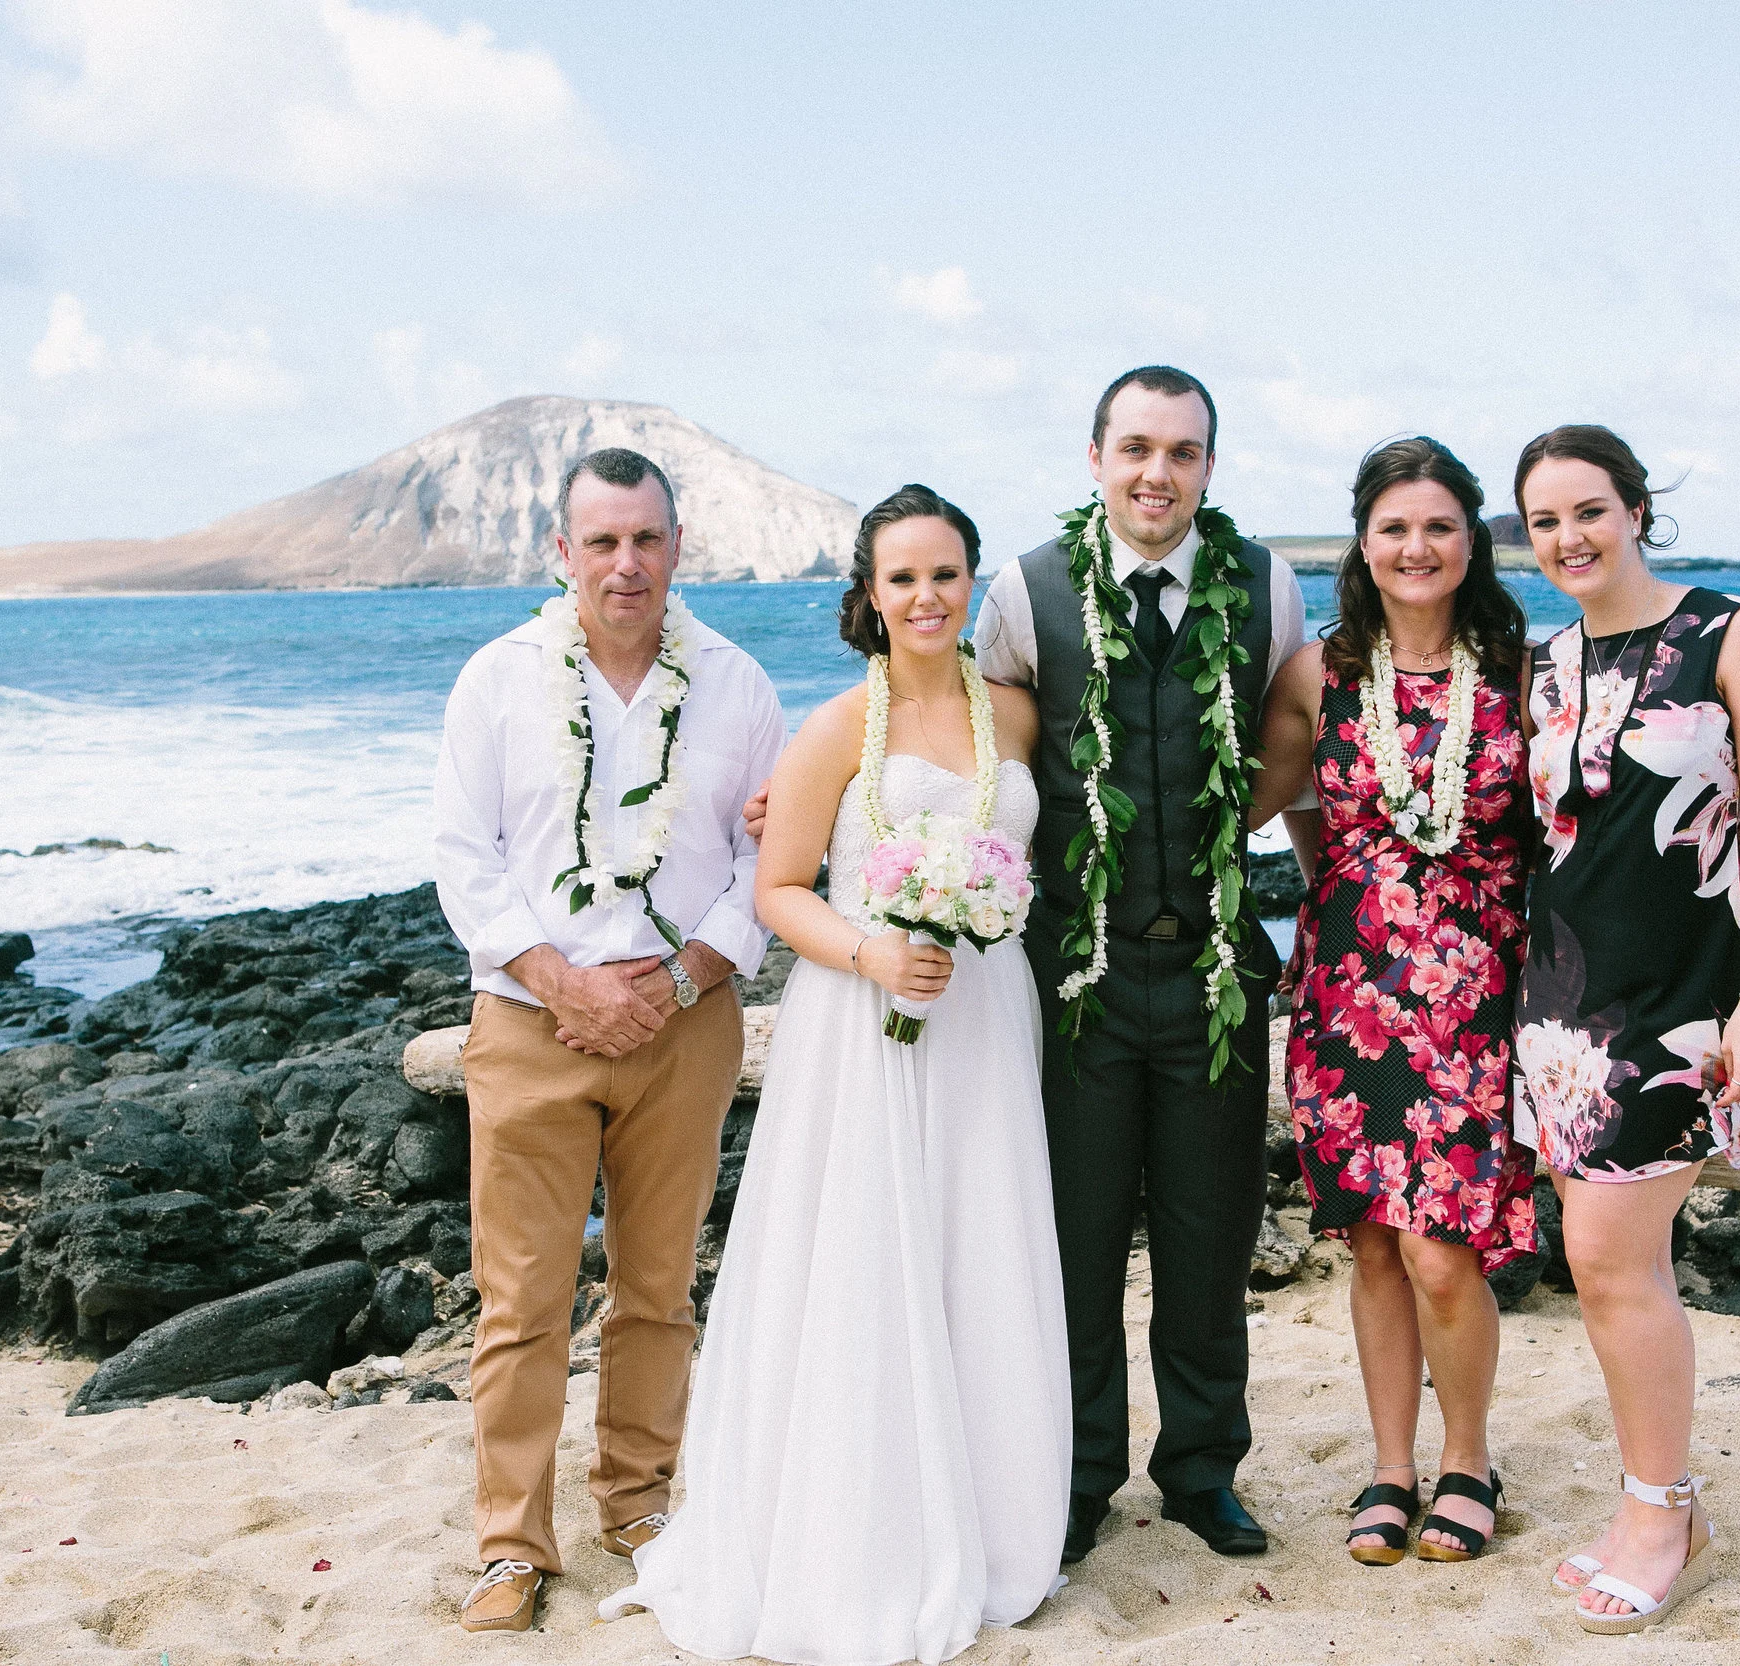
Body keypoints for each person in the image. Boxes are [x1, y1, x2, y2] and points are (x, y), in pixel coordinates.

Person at [601, 485, 1068, 1664]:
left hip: (985, 1018)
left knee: (980, 1248)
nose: (926, 596)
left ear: (971, 584)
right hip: (866, 1023)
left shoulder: (1016, 715)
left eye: (945, 573)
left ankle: (995, 1517)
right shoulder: (834, 728)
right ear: (869, 593)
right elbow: (778, 889)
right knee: (866, 1261)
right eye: (902, 577)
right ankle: (860, 1531)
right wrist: (873, 954)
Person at [432, 447, 784, 1635]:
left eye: (645, 539)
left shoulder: (735, 685)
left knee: (658, 1290)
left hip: (685, 1028)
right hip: (531, 1026)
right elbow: (464, 856)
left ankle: (638, 1506)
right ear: (563, 552)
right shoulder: (497, 679)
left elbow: (767, 861)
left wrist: (680, 980)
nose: (625, 563)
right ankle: (508, 1545)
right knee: (521, 1300)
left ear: (677, 546)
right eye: (602, 541)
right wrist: (559, 981)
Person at [971, 365, 1307, 1564]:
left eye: (1182, 451)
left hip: (1215, 970)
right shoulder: (1023, 592)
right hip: (1076, 978)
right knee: (1075, 1240)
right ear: (1096, 458)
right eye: (1136, 448)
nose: (1157, 472)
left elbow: (1298, 739)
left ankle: (1204, 1470)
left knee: (1210, 1240)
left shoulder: (1266, 585)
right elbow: (980, 764)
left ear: (1208, 464)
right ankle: (1076, 1478)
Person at [1508, 424, 1740, 1634]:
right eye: (1544, 521)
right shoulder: (1541, 664)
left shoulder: (1731, 632)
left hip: (1683, 1001)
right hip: (1560, 1003)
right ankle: (1658, 1497)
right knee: (1616, 1266)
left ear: (1636, 508)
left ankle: (1660, 1513)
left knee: (1606, 1261)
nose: (1568, 537)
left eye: (1589, 509)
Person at [1252, 436, 1535, 1569]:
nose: (1416, 547)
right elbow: (1266, 796)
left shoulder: (1522, 671)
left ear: (1471, 541)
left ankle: (1467, 1459)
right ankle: (1390, 1466)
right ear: (1362, 544)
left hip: (1475, 992)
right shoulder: (1316, 673)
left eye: (1438, 527)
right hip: (1348, 986)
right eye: (1394, 528)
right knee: (1372, 1245)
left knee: (1440, 1249)